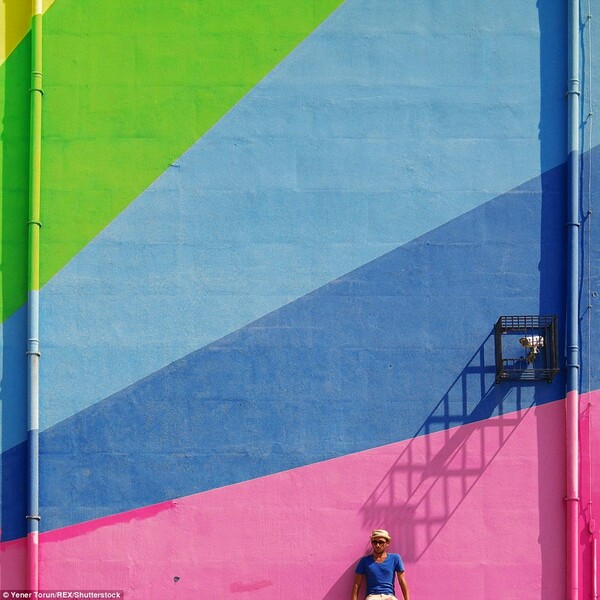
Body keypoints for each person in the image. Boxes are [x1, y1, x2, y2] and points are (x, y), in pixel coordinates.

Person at [350, 529, 410, 600]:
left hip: (389, 596)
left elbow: (402, 581)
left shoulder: (395, 558)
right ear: (372, 543)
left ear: (387, 543)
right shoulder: (365, 561)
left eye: (381, 542)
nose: (377, 545)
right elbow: (357, 584)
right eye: (374, 542)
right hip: (372, 596)